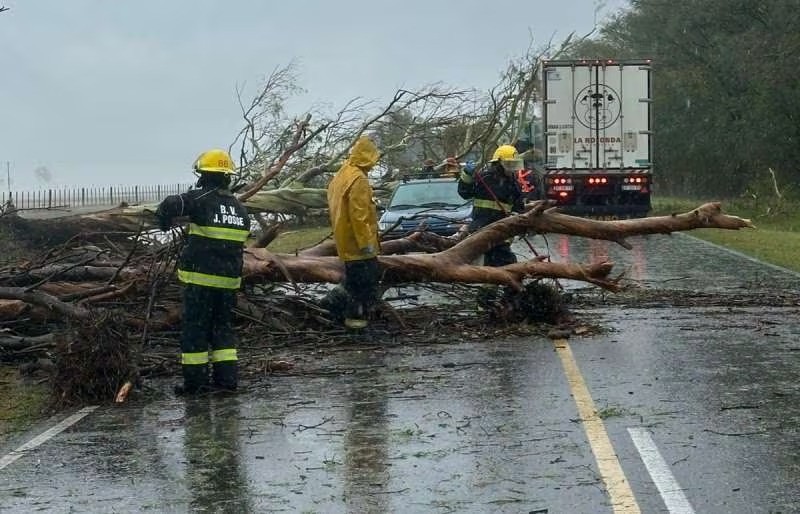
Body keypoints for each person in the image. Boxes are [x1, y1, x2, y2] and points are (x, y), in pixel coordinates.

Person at [156, 149, 251, 394]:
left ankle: (196, 384)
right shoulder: (240, 209)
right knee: (223, 331)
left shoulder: (201, 198)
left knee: (195, 332)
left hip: (200, 281)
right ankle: (226, 383)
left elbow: (172, 204)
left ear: (203, 175)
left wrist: (163, 221)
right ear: (227, 177)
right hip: (228, 283)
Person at [457, 144, 526, 305]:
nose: (512, 169)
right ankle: (510, 299)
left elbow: (518, 207)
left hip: (502, 233)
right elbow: (465, 193)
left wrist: (518, 221)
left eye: (514, 165)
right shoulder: (484, 178)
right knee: (508, 265)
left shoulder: (513, 183)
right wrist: (467, 175)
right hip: (484, 229)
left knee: (495, 268)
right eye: (509, 164)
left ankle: (491, 302)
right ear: (498, 163)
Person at [327, 136, 382, 330]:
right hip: (358, 246)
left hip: (346, 242)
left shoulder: (343, 174)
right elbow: (359, 216)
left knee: (352, 284)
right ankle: (357, 324)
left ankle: (335, 312)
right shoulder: (358, 179)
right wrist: (367, 244)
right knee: (363, 288)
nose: (373, 166)